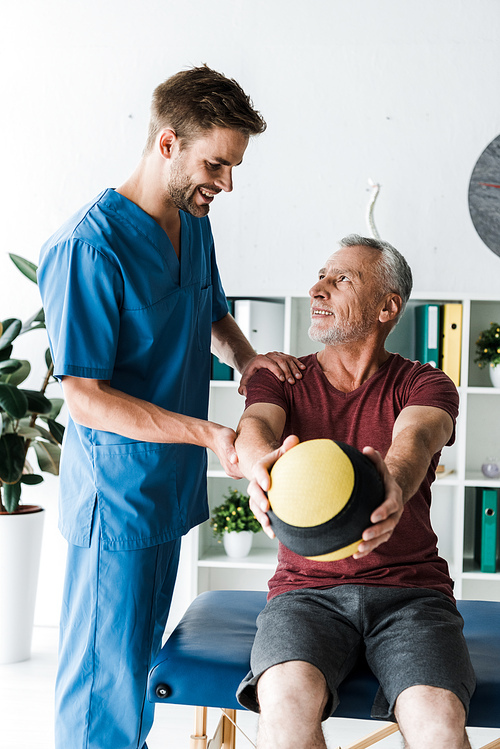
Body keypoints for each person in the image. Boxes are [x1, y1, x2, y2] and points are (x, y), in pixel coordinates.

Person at [37, 65, 305, 749]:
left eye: (234, 165)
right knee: (102, 693)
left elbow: (209, 309)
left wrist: (249, 360)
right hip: (119, 499)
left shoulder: (191, 220)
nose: (227, 181)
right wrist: (213, 433)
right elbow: (86, 399)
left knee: (135, 673)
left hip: (167, 493)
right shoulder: (88, 247)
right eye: (217, 162)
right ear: (167, 144)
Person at [234, 235, 476, 749]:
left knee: (437, 725)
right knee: (284, 712)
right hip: (304, 594)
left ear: (388, 306)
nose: (317, 288)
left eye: (341, 279)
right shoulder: (283, 378)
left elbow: (416, 439)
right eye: (321, 275)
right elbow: (256, 426)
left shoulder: (425, 382)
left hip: (412, 596)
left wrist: (393, 480)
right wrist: (260, 467)